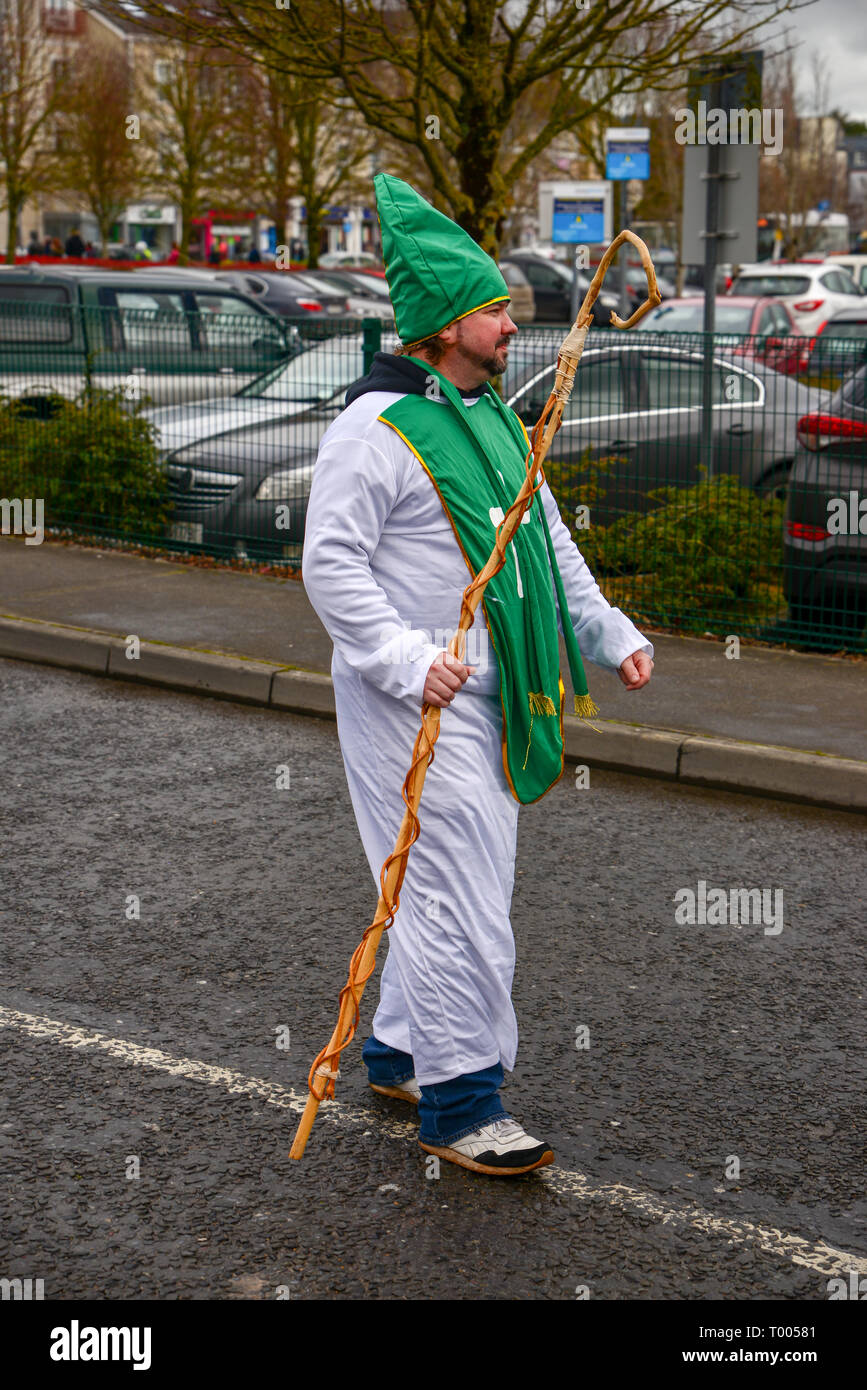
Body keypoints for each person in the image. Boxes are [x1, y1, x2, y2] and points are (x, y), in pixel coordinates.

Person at [301, 173, 654, 1177]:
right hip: (412, 700)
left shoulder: (497, 416)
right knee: (458, 899)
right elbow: (329, 564)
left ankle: (403, 1051)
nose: (513, 324)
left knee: (450, 886)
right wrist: (408, 659)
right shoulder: (370, 432)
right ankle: (464, 1103)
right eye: (496, 308)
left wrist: (606, 629)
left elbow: (545, 542)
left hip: (500, 694)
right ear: (448, 322)